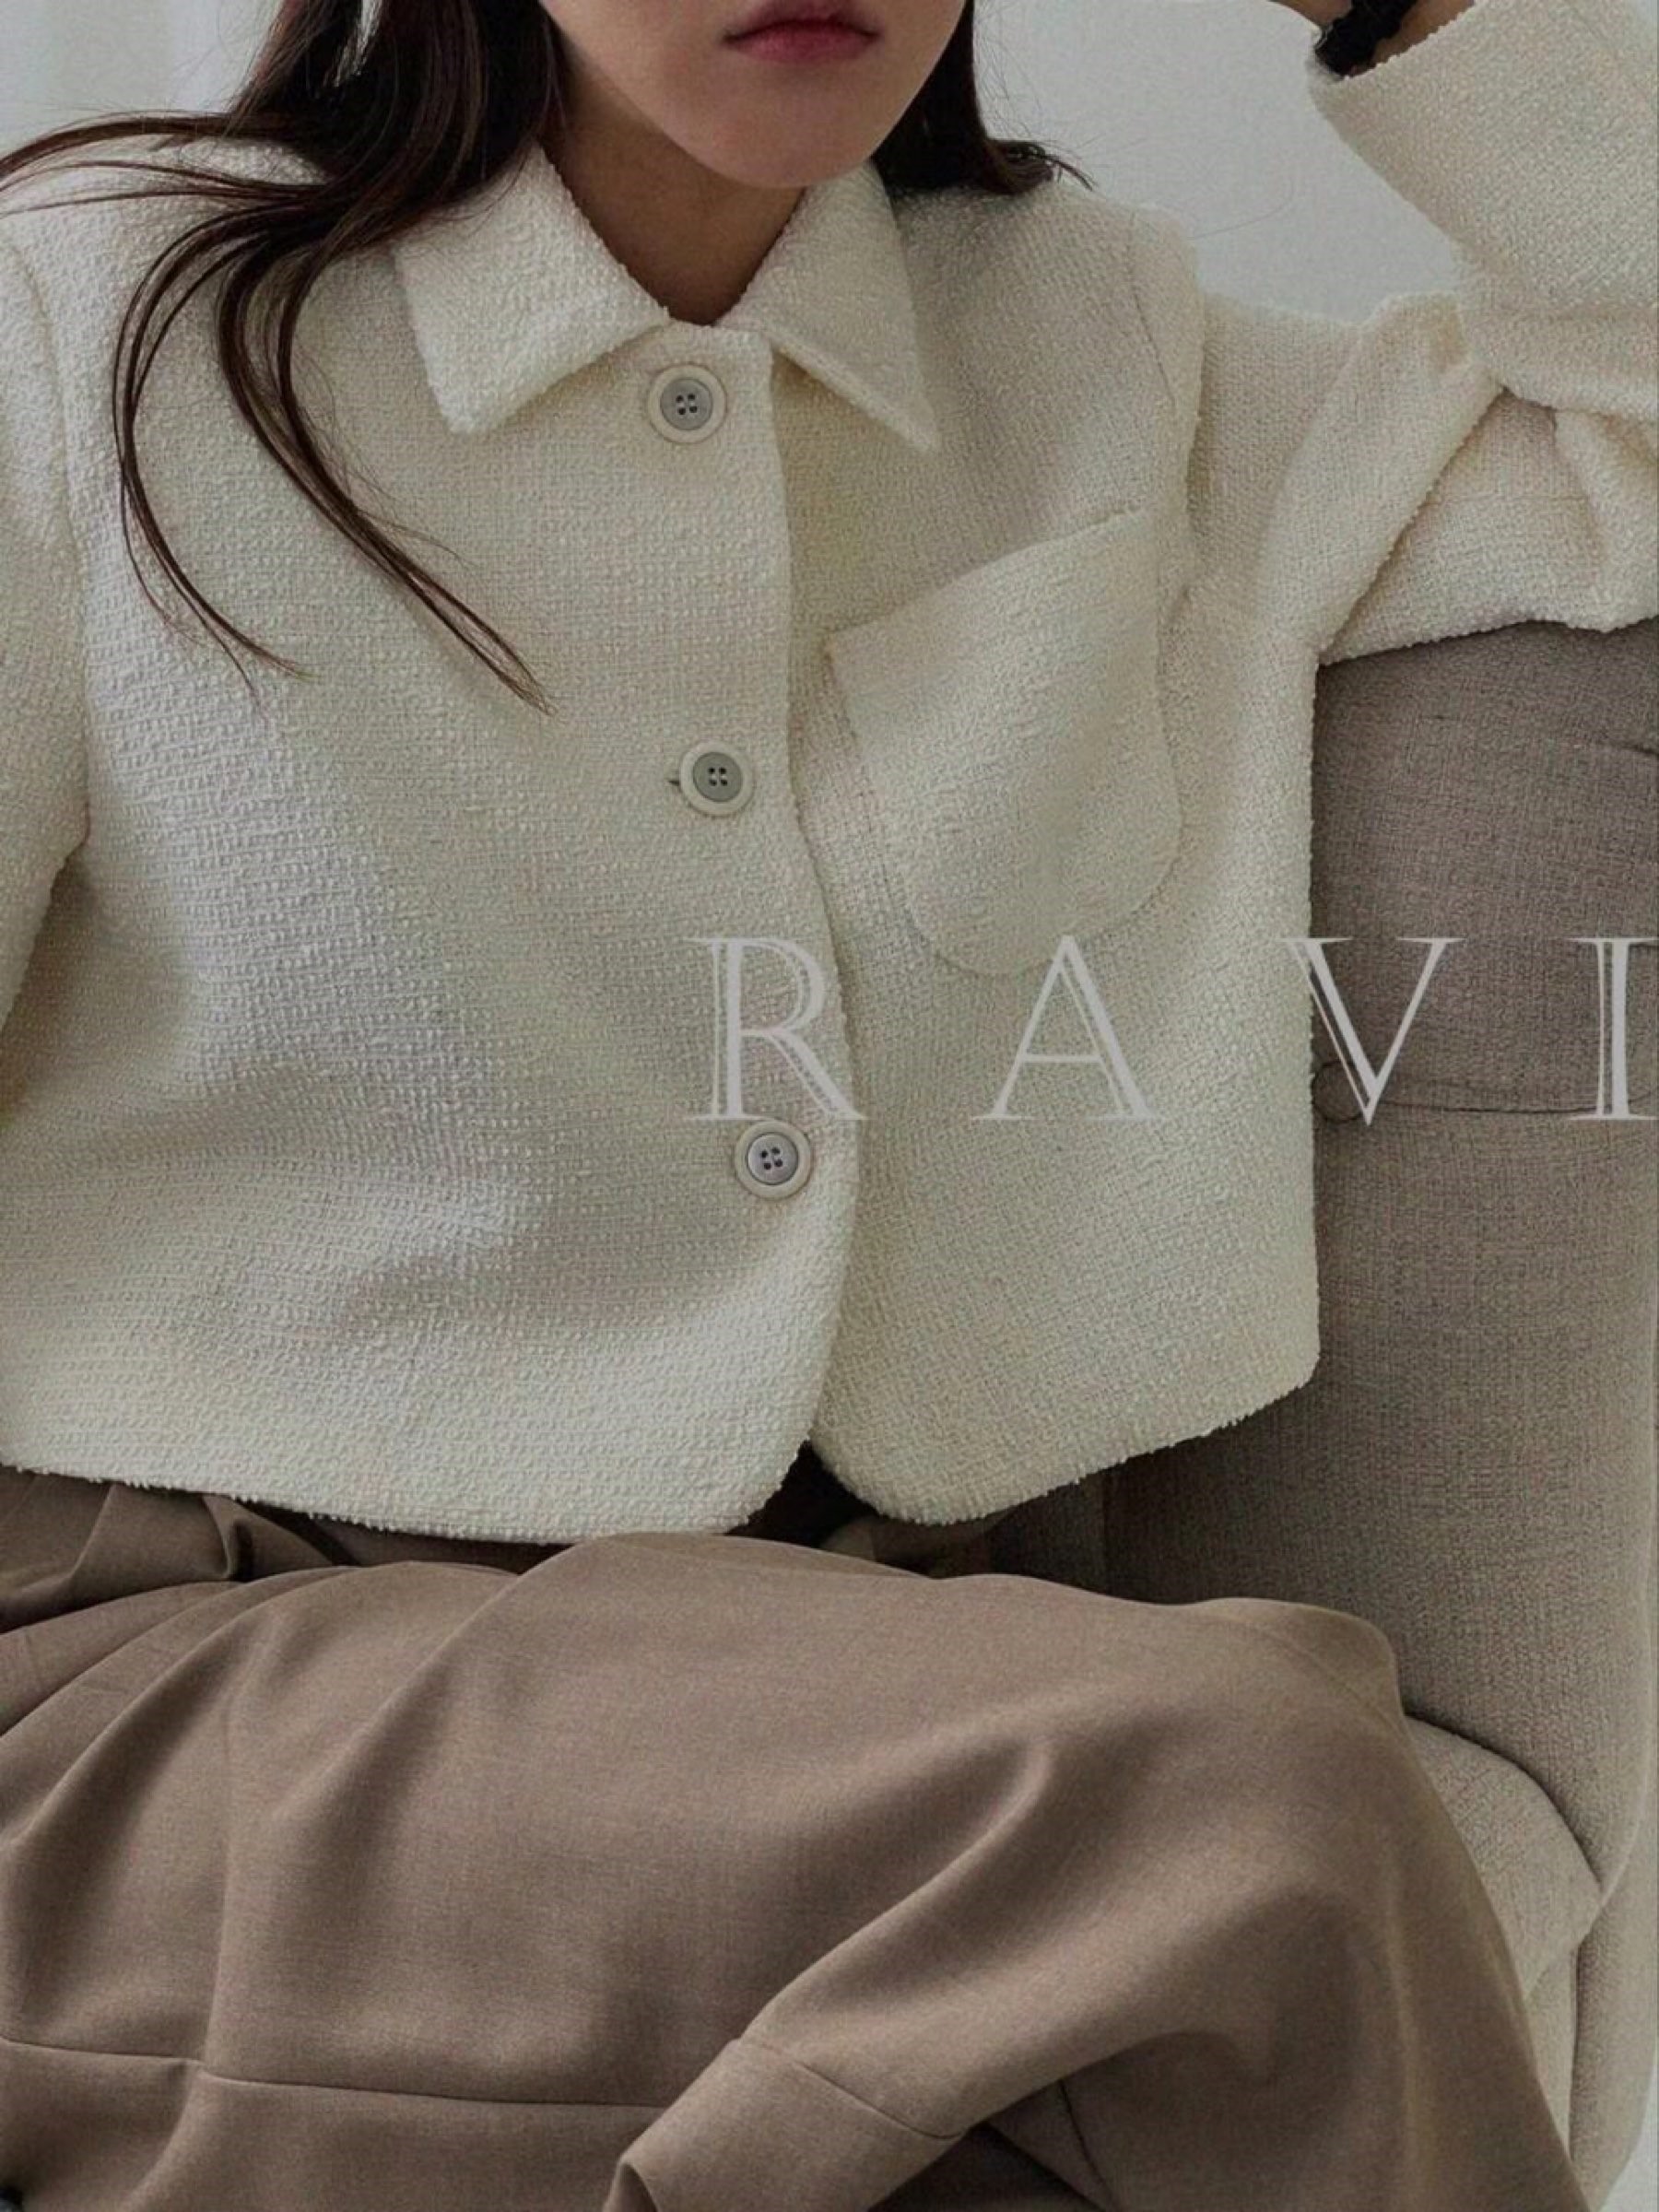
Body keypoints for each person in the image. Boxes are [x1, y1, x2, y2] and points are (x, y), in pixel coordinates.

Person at [0, 0, 1653, 2205]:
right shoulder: (87, 322)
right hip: (143, 1691)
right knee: (1255, 1794)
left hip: (823, 1706)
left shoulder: (1099, 350)